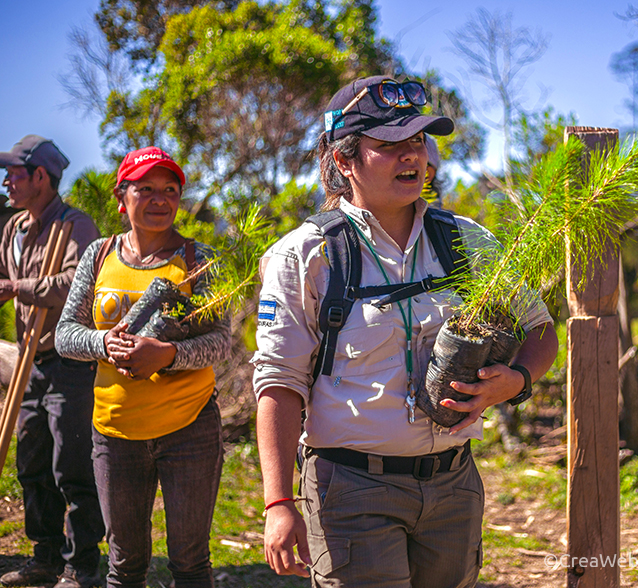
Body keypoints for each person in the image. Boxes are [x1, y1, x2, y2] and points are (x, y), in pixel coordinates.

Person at [252, 75, 559, 588]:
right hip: (350, 491)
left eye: (417, 141)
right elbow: (279, 385)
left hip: (454, 487)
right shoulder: (306, 255)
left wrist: (518, 381)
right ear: (344, 161)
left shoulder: (464, 240)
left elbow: (540, 329)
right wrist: (279, 503)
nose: (410, 155)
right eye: (389, 144)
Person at [55, 147, 231, 588]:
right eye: (146, 188)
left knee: (190, 563)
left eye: (170, 190)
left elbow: (222, 341)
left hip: (189, 428)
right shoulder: (100, 254)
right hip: (115, 433)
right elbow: (64, 334)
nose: (159, 199)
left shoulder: (197, 260)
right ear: (122, 197)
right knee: (125, 565)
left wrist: (167, 356)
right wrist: (103, 341)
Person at [0, 135, 104, 588]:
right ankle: (43, 558)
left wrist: (18, 289)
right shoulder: (13, 230)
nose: (6, 182)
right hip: (30, 364)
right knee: (32, 463)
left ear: (40, 176)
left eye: (15, 174)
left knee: (72, 467)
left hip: (71, 364)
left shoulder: (76, 225)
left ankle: (83, 567)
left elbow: (77, 283)